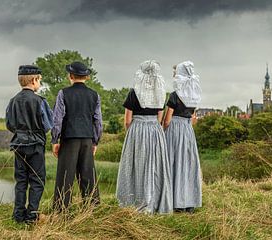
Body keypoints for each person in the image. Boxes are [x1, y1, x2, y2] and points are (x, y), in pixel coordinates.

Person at [116, 60, 173, 214]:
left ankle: (133, 200)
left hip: (137, 129)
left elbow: (127, 120)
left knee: (135, 165)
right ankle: (153, 201)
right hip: (155, 130)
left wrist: (133, 134)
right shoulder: (160, 93)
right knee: (154, 165)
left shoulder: (133, 92)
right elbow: (160, 118)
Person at [51, 61, 102, 211]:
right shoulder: (94, 95)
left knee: (65, 177)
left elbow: (57, 119)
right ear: (86, 77)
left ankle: (61, 211)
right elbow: (98, 121)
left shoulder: (63, 93)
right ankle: (92, 209)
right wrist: (95, 141)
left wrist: (55, 139)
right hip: (87, 139)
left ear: (71, 76)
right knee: (88, 175)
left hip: (69, 139)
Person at [6, 65, 53, 223]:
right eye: (40, 80)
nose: (40, 83)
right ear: (34, 80)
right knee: (37, 180)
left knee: (21, 180)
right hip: (36, 145)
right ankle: (32, 215)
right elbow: (48, 125)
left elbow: (9, 124)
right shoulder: (40, 101)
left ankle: (18, 215)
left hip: (19, 144)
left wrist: (20, 131)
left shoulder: (13, 101)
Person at [163, 61, 202, 213]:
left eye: (175, 73)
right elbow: (194, 118)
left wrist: (163, 130)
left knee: (173, 162)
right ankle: (189, 203)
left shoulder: (175, 95)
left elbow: (167, 120)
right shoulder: (194, 96)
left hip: (174, 129)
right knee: (187, 164)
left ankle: (175, 202)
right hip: (187, 130)